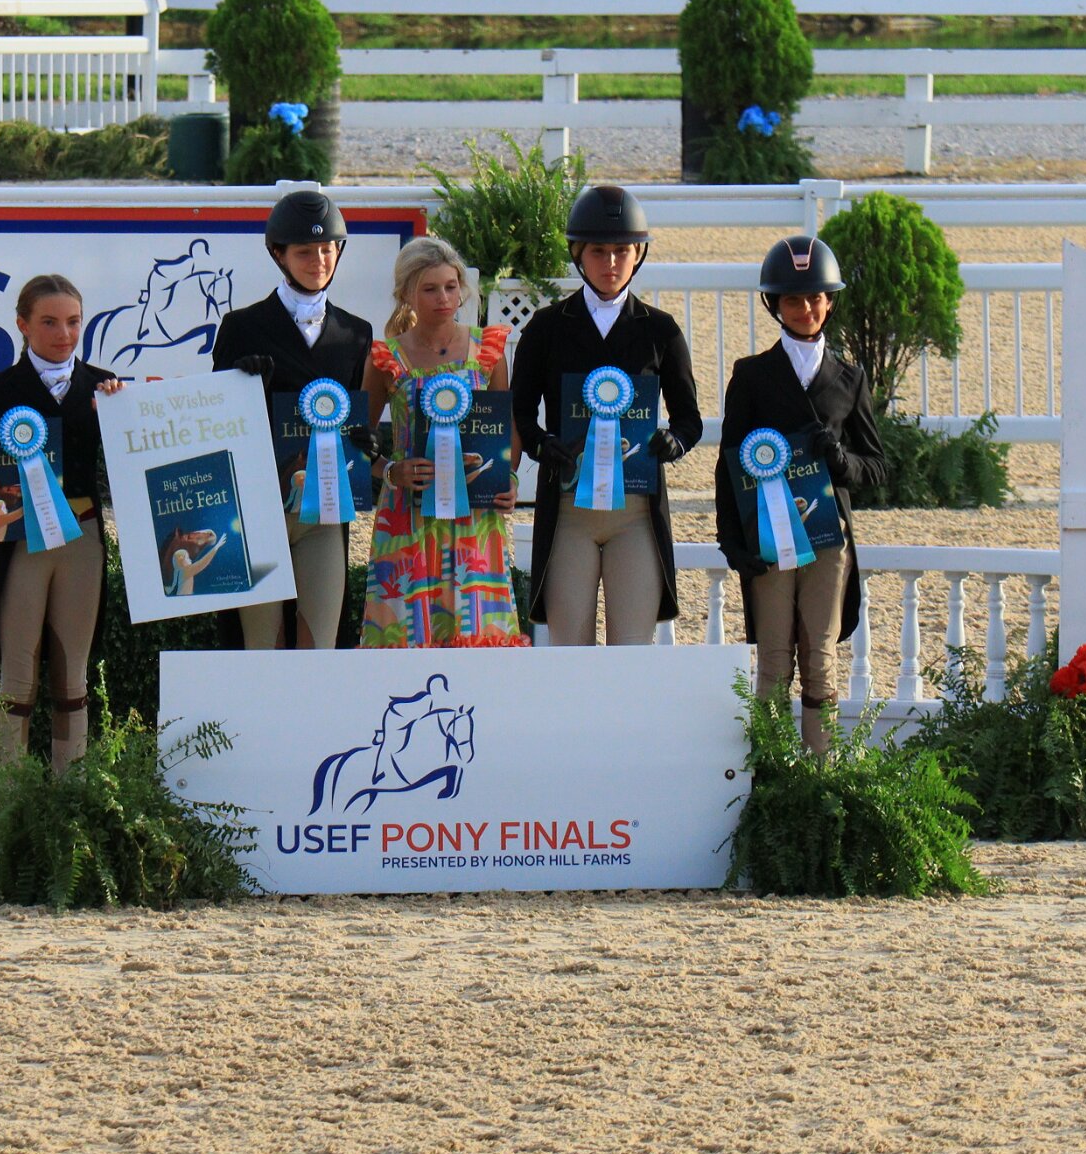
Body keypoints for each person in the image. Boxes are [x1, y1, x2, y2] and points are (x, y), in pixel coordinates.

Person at [715, 234, 888, 756]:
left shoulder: (850, 378)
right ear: (775, 305)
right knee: (772, 660)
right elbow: (728, 464)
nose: (806, 309)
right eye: (794, 299)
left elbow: (876, 466)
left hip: (828, 538)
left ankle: (820, 772)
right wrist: (731, 542)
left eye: (815, 298)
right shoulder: (751, 375)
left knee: (820, 660)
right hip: (769, 537)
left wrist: (840, 461)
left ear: (829, 302)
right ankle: (769, 769)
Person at [510, 184, 701, 645]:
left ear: (638, 255)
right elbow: (520, 409)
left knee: (630, 649)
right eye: (598, 251)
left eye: (622, 251)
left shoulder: (661, 330)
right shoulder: (546, 328)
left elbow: (689, 419)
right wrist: (541, 444)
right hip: (569, 510)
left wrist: (674, 442)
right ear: (578, 254)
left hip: (635, 512)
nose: (611, 262)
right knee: (570, 648)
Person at [0, 274, 122, 777]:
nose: (63, 334)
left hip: (83, 536)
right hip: (23, 539)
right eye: (49, 322)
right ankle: (10, 800)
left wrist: (123, 413)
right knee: (18, 676)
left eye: (73, 322)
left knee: (73, 676)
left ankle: (70, 795)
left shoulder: (105, 386)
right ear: (23, 325)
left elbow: (133, 461)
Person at [211, 190, 376, 649]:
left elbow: (352, 414)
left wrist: (365, 441)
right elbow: (217, 420)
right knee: (261, 645)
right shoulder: (242, 327)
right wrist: (240, 384)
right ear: (278, 254)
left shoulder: (356, 332)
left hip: (323, 510)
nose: (318, 261)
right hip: (259, 504)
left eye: (327, 250)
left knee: (319, 643)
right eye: (305, 252)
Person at [359, 236, 523, 648]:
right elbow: (354, 439)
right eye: (430, 289)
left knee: (477, 637)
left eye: (451, 287)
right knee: (403, 639)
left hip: (475, 516)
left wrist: (508, 480)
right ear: (406, 294)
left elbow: (507, 430)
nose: (444, 298)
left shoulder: (488, 351)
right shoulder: (386, 358)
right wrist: (390, 471)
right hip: (406, 517)